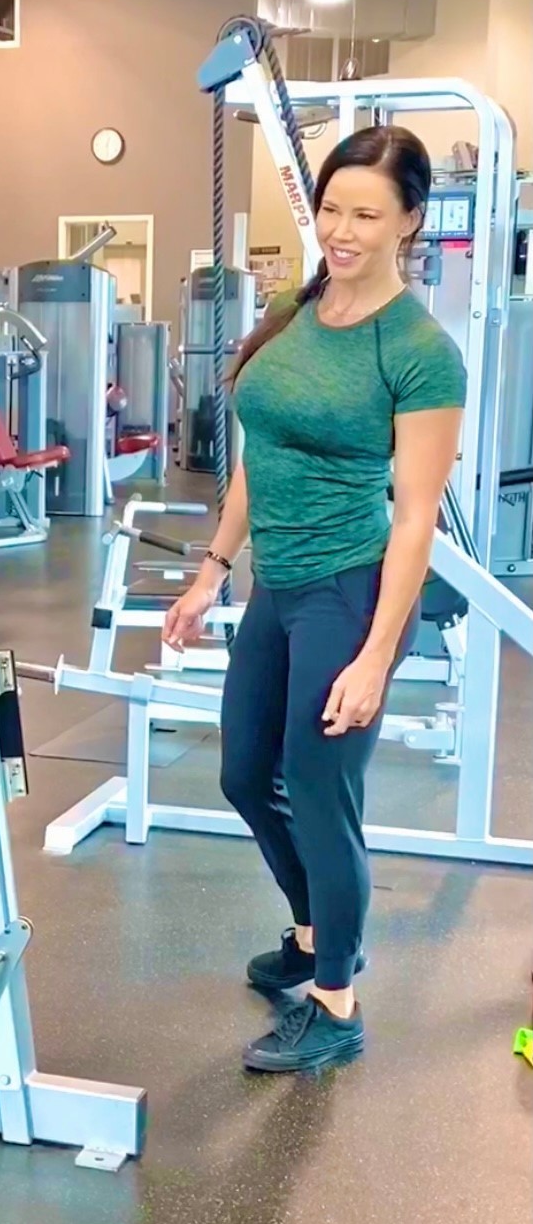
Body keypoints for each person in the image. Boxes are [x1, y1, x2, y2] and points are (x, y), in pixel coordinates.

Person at [164, 127, 466, 1075]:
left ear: (408, 221)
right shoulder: (294, 310)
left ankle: (335, 1001)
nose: (340, 229)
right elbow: (261, 455)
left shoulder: (419, 351)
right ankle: (311, 931)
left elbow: (413, 518)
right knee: (243, 774)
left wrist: (375, 654)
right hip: (277, 585)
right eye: (332, 207)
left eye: (365, 214)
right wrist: (213, 568)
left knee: (320, 791)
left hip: (349, 590)